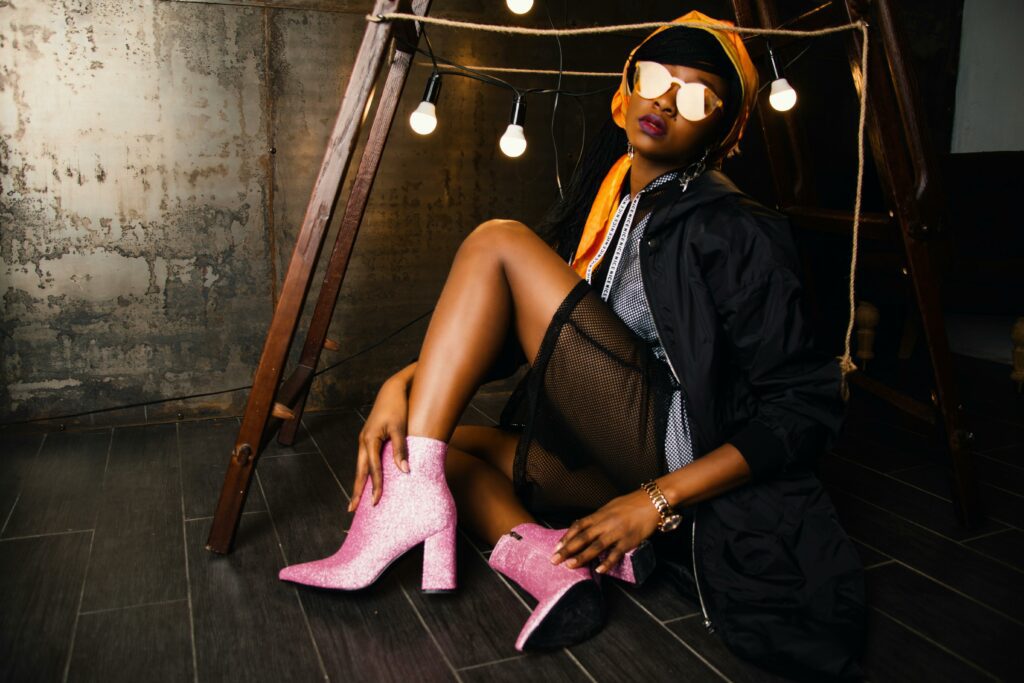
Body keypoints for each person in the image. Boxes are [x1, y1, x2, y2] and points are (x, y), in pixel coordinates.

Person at [279, 11, 866, 681]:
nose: (667, 100)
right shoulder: (611, 197)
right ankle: (553, 571)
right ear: (624, 91)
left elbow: (804, 408)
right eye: (653, 78)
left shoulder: (731, 227)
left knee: (496, 240)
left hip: (674, 452)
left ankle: (410, 513)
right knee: (424, 450)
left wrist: (657, 501)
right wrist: (402, 384)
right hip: (608, 444)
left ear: (720, 130)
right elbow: (519, 335)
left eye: (698, 95)